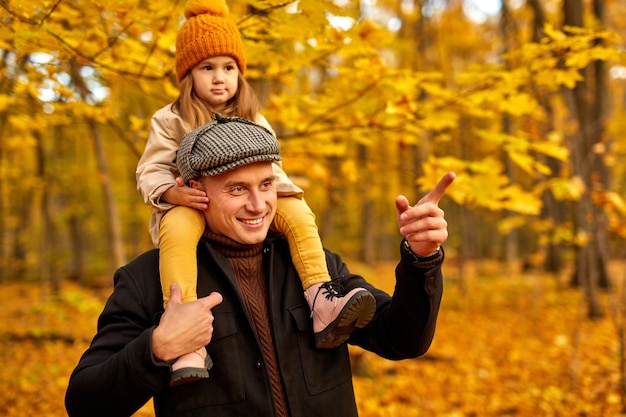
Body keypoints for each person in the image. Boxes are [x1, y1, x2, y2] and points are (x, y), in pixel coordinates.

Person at [65, 116, 455, 417]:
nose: (258, 205)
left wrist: (421, 259)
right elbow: (85, 403)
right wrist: (156, 348)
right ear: (193, 191)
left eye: (266, 185)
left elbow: (403, 340)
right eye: (237, 189)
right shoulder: (147, 280)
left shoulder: (313, 265)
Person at [135, 0, 375, 385]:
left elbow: (272, 172)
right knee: (176, 230)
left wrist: (282, 196)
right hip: (193, 201)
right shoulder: (170, 118)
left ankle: (320, 298)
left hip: (242, 203)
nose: (219, 78)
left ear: (239, 73)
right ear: (187, 74)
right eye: (207, 68)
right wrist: (170, 193)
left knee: (298, 213)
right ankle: (183, 327)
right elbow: (150, 168)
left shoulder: (253, 117)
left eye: (228, 68)